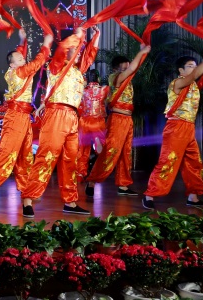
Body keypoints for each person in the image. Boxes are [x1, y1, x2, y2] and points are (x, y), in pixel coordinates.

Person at [20, 26, 100, 216]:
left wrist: (97, 35)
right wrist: (78, 36)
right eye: (75, 48)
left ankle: (70, 202)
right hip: (56, 114)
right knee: (46, 157)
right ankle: (28, 199)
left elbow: (90, 55)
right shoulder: (56, 65)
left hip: (73, 117)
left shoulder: (78, 70)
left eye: (79, 48)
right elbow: (63, 47)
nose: (79, 51)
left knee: (70, 161)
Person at [142, 46, 203, 209]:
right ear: (181, 70)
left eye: (195, 66)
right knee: (168, 161)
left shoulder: (194, 86)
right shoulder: (177, 83)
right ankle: (149, 195)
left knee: (194, 163)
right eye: (190, 66)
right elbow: (196, 74)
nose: (194, 68)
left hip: (189, 128)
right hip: (175, 127)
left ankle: (193, 197)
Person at [0, 29, 53, 218]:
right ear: (12, 64)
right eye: (20, 59)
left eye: (22, 57)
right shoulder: (19, 72)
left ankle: (27, 199)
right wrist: (47, 43)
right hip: (15, 117)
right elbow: (37, 62)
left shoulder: (15, 70)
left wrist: (22, 39)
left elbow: (22, 56)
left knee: (25, 157)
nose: (23, 59)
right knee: (7, 153)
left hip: (24, 117)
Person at [85, 45, 151, 197]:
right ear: (115, 69)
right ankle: (92, 180)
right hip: (117, 119)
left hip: (128, 119)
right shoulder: (114, 78)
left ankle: (123, 185)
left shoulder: (128, 81)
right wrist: (141, 52)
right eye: (124, 68)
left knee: (126, 153)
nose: (128, 70)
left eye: (128, 67)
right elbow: (132, 69)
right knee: (111, 152)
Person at [75, 69, 109, 182]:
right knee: (101, 148)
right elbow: (109, 102)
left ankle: (80, 174)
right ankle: (97, 172)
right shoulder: (104, 89)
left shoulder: (82, 90)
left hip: (84, 121)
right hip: (98, 121)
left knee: (83, 149)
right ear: (98, 78)